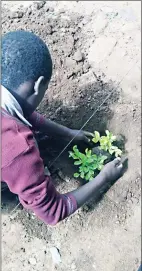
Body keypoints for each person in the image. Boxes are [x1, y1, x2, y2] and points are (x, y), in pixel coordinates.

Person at [1, 30, 125, 226]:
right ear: (38, 85)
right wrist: (104, 176)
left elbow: (21, 111)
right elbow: (53, 212)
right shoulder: (17, 149)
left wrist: (68, 134)